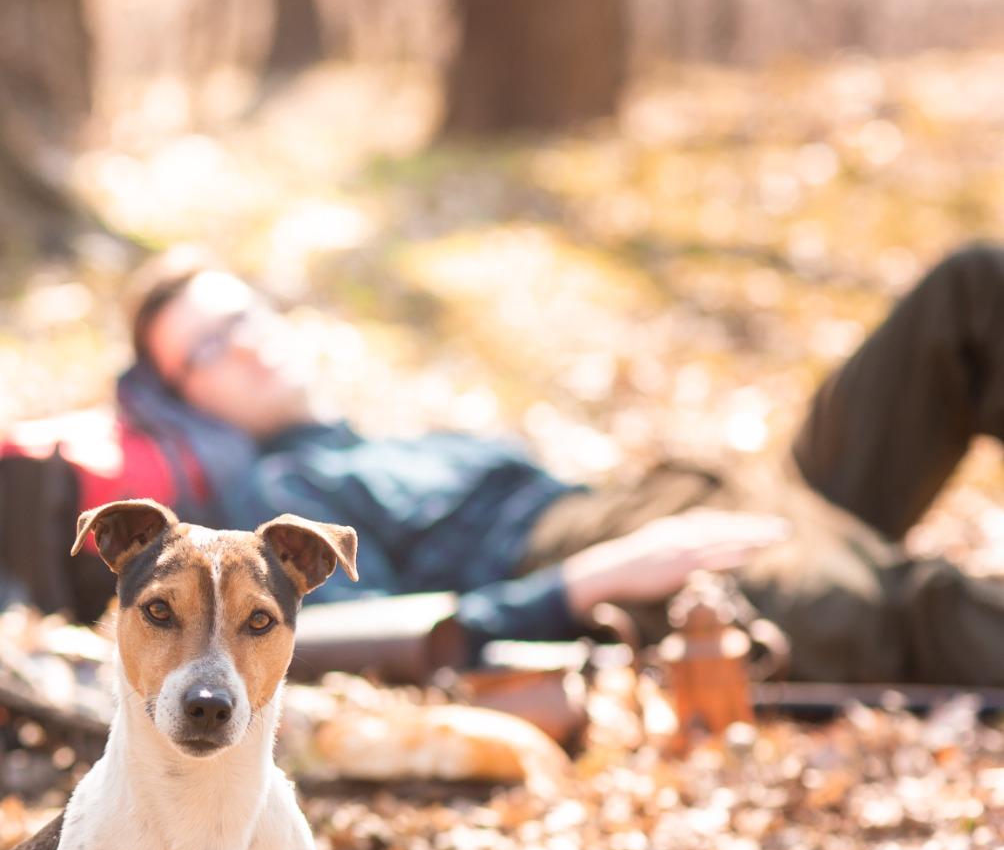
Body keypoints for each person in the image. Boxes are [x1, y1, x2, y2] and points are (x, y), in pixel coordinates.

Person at [108, 244, 1004, 683]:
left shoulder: (377, 437)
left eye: (244, 315)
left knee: (969, 294)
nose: (248, 346)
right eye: (209, 348)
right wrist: (593, 580)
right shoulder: (281, 507)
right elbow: (385, 638)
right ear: (189, 401)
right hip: (637, 564)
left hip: (705, 494)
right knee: (916, 608)